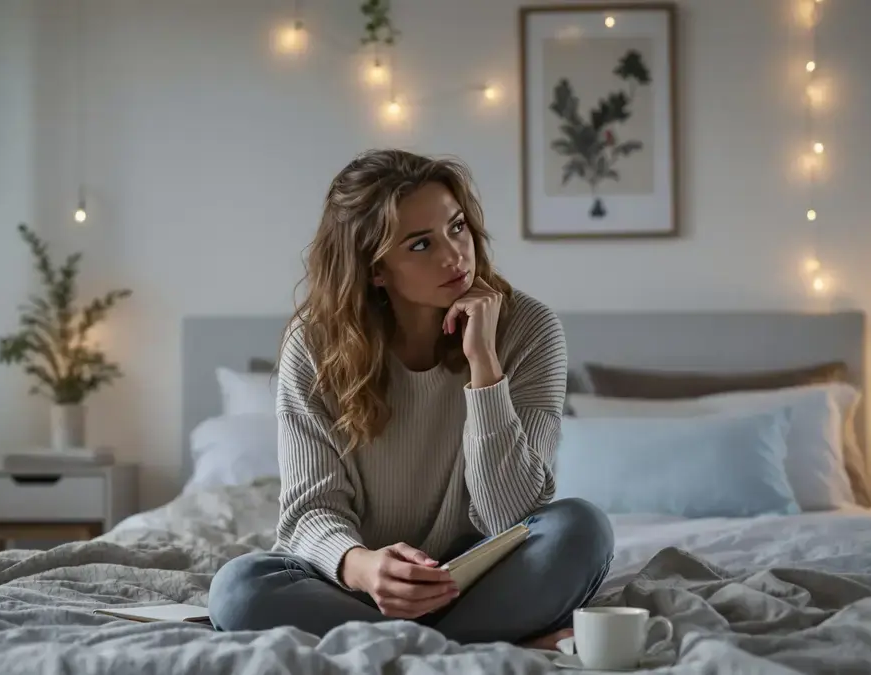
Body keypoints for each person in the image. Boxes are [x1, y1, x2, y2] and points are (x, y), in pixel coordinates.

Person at [208, 148, 614, 648]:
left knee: (582, 528)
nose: (454, 254)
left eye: (457, 227)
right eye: (421, 245)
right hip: (356, 592)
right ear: (376, 270)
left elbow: (512, 517)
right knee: (238, 588)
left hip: (482, 585)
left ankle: (406, 648)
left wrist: (484, 365)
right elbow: (310, 511)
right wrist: (364, 568)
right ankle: (469, 649)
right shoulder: (314, 344)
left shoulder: (528, 329)